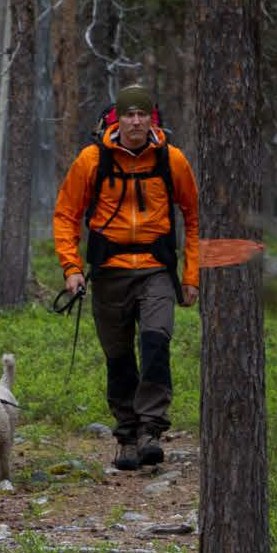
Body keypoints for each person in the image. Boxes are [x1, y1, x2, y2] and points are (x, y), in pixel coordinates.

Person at [52, 85, 201, 471]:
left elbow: (194, 217)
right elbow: (66, 215)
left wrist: (191, 275)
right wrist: (71, 268)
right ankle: (127, 437)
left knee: (156, 345)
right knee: (118, 359)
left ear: (152, 118)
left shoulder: (173, 160)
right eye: (129, 115)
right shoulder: (91, 160)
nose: (136, 121)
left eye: (143, 115)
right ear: (117, 118)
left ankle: (151, 430)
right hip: (108, 274)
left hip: (156, 270)